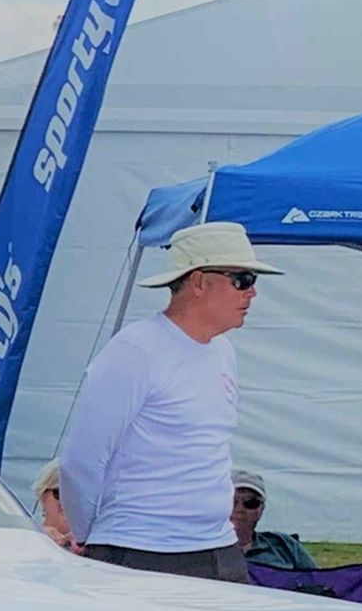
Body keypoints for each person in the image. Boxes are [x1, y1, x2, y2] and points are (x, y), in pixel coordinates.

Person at [55, 221, 283, 583]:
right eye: (242, 279)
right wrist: (86, 534)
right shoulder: (134, 352)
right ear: (199, 282)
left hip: (217, 547)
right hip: (139, 550)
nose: (252, 292)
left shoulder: (223, 352)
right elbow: (81, 460)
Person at [231, 469, 316, 571]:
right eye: (231, 501)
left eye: (250, 503)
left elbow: (316, 577)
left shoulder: (285, 545)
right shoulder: (212, 549)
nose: (239, 509)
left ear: (261, 509)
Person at [31, 460, 73, 548]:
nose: (69, 500)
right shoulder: (27, 537)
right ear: (43, 496)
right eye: (61, 492)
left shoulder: (95, 548)